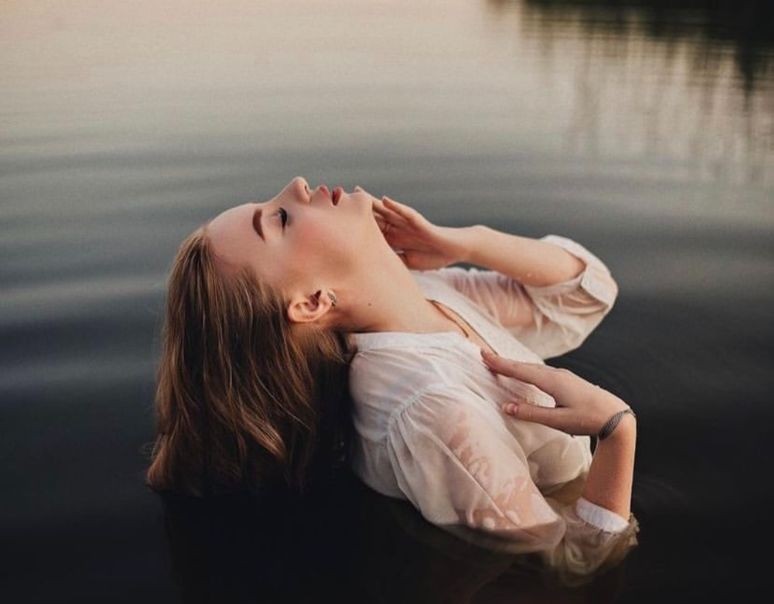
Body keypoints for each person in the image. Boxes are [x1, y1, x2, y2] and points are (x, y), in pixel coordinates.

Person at [145, 176, 639, 579]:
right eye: (280, 219)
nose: (295, 185)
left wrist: (465, 242)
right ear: (313, 302)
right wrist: (617, 431)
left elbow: (583, 296)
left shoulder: (424, 293)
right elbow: (571, 561)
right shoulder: (432, 411)